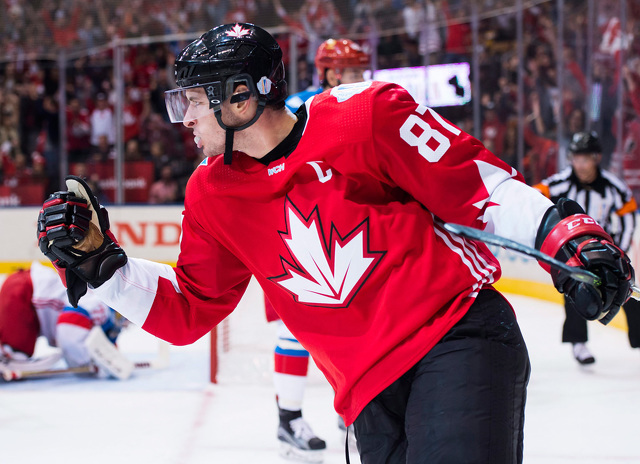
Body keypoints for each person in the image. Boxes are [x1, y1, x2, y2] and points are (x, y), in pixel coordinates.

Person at [36, 24, 634, 463]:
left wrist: (567, 235)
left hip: (455, 342)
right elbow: (191, 308)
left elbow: (477, 187)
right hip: (366, 393)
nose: (183, 118)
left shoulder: (362, 117)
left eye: (193, 100)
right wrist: (100, 263)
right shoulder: (211, 193)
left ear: (240, 97)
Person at [272, 35, 371, 461]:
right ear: (330, 72)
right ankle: (288, 418)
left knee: (353, 324)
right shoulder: (296, 108)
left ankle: (349, 409)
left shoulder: (362, 106)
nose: (360, 78)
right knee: (293, 329)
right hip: (299, 230)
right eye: (352, 71)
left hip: (348, 231)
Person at [534, 131, 640, 365]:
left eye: (585, 159)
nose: (580, 165)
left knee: (625, 291)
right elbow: (533, 201)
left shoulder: (614, 187)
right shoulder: (558, 183)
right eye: (576, 159)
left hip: (607, 250)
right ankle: (578, 343)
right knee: (574, 291)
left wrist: (617, 252)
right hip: (572, 251)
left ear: (596, 158)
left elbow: (627, 218)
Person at [0, 261, 125, 376]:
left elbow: (102, 346)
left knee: (14, 353)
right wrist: (87, 361)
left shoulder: (108, 311)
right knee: (14, 357)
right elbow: (68, 332)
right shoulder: (101, 307)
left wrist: (108, 359)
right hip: (23, 291)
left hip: (24, 289)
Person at [285, 37, 370, 112]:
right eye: (355, 76)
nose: (363, 81)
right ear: (331, 77)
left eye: (362, 75)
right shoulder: (297, 106)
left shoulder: (364, 105)